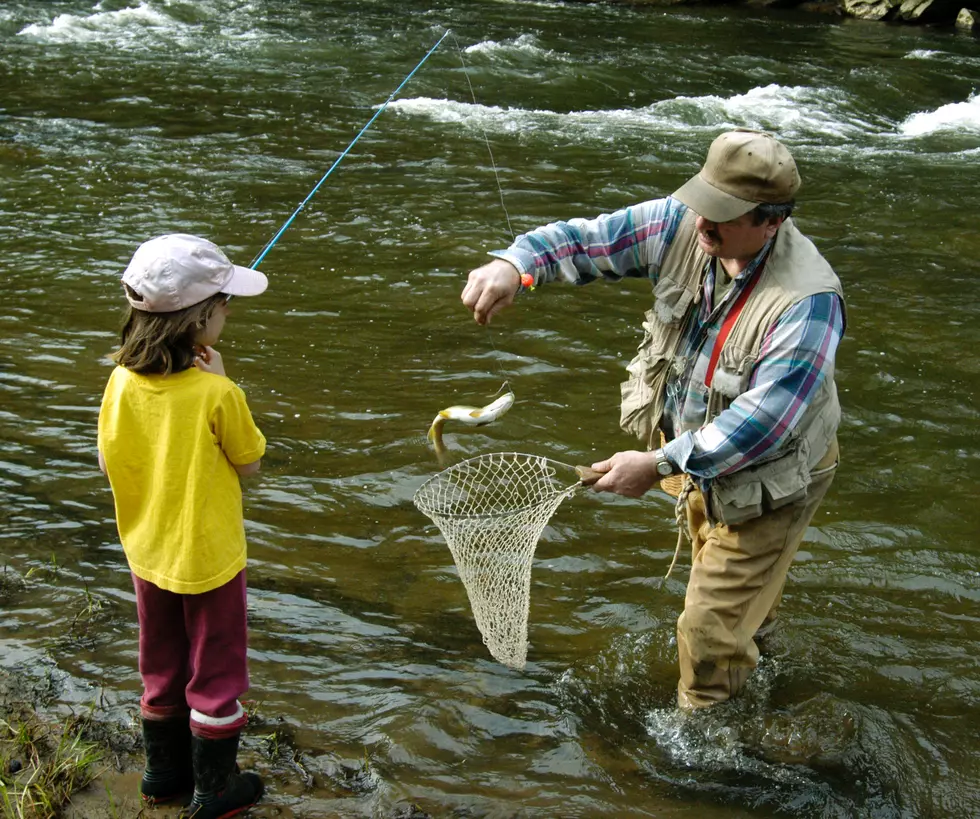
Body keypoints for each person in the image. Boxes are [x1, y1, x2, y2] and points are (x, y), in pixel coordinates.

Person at [461, 129, 845, 710]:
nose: (703, 225)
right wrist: (517, 265)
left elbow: (765, 424)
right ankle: (760, 650)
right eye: (703, 203)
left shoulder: (807, 301)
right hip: (694, 459)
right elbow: (587, 241)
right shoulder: (682, 222)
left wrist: (658, 462)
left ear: (771, 221)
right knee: (727, 592)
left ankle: (708, 746)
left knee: (707, 632)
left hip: (771, 478)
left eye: (722, 215)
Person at [97, 234, 268, 816]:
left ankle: (162, 775)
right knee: (216, 674)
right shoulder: (218, 392)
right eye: (224, 305)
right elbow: (251, 465)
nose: (227, 314)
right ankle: (216, 790)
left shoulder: (120, 379)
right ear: (201, 320)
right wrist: (224, 381)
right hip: (210, 559)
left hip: (147, 552)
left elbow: (106, 460)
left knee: (161, 661)